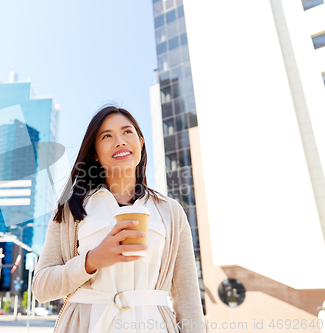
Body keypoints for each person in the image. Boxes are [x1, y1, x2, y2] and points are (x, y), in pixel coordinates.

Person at [32, 106, 205, 333]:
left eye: (127, 132)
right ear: (94, 152)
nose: (120, 141)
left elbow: (188, 298)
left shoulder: (170, 211)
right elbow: (42, 288)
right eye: (107, 136)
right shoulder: (71, 209)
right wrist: (91, 261)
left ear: (141, 143)